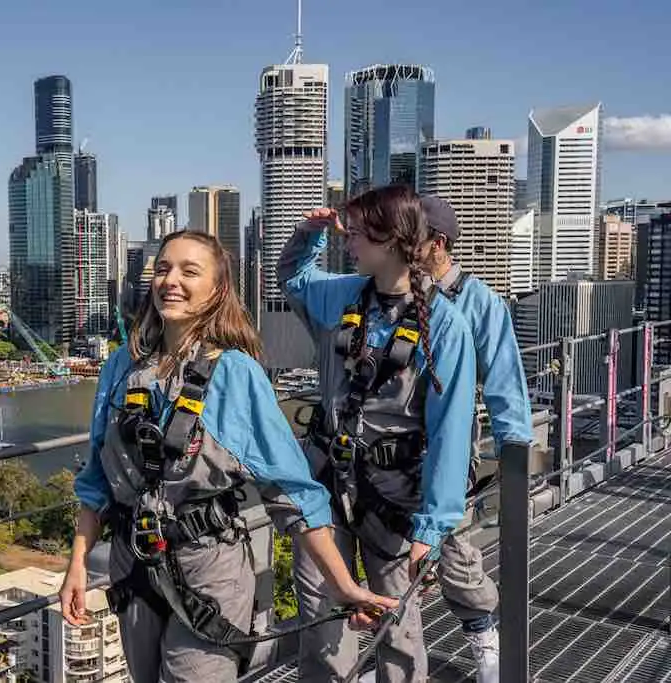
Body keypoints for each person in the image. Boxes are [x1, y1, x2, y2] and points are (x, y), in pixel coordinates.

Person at [60, 230, 397, 683]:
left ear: (217, 289)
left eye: (189, 271)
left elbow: (293, 491)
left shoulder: (235, 374)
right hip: (132, 562)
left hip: (208, 569)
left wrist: (343, 585)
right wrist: (77, 564)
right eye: (162, 269)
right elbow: (97, 478)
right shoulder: (123, 366)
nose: (170, 281)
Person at [280, 185, 477, 683]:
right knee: (322, 621)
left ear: (391, 239)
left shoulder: (445, 325)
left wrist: (430, 531)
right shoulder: (346, 294)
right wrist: (307, 235)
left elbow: (450, 434)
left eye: (359, 232)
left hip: (392, 497)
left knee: (397, 626)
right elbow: (294, 279)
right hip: (325, 483)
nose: (349, 241)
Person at [420, 195, 534, 683]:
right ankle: (399, 656)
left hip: (444, 449)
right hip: (383, 449)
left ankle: (483, 630)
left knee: (451, 548)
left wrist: (516, 451)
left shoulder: (479, 303)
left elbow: (505, 379)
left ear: (438, 244)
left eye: (412, 235)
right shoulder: (392, 291)